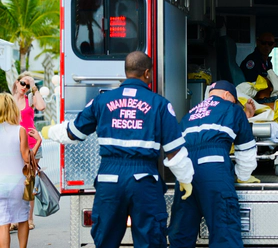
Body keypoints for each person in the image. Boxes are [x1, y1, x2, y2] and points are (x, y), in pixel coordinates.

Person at [42, 51, 194, 248]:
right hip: (144, 179)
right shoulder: (160, 104)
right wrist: (186, 178)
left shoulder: (102, 101)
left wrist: (49, 132)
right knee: (150, 239)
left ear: (126, 72)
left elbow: (73, 133)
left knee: (105, 240)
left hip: (109, 178)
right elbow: (174, 151)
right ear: (147, 73)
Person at [168, 80, 259, 248]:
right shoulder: (232, 109)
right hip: (214, 169)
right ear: (227, 95)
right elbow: (246, 150)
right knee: (224, 233)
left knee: (181, 234)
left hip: (185, 171)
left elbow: (175, 147)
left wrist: (182, 176)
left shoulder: (190, 114)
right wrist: (243, 176)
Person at [0, 93, 42, 248]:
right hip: (19, 184)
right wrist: (38, 142)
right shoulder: (19, 130)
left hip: (0, 184)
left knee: (3, 223)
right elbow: (27, 159)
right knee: (23, 219)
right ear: (12, 109)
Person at [12, 72, 46, 231]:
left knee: (29, 181)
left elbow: (42, 106)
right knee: (14, 182)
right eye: (22, 83)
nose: (24, 87)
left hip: (32, 144)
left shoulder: (30, 99)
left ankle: (28, 218)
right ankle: (13, 218)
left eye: (27, 85)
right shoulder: (9, 100)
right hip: (13, 145)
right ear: (16, 83)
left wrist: (34, 86)